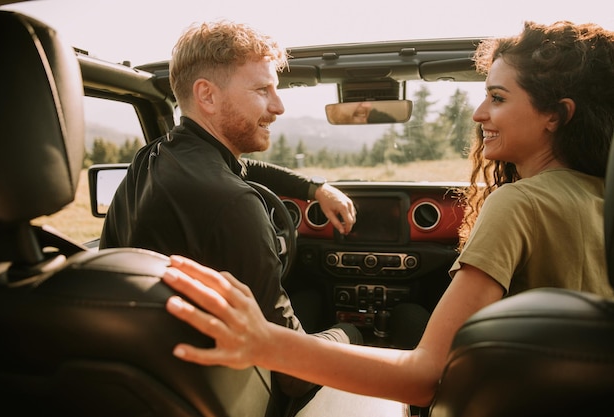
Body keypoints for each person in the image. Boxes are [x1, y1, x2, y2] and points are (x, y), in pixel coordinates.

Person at [158, 20, 614, 409]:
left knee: (401, 324)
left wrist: (264, 341)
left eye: (497, 97)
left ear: (555, 115)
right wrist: (315, 188)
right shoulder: (600, 196)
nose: (478, 113)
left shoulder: (518, 204)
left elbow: (426, 377)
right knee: (412, 315)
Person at [99, 20, 362, 399]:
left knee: (310, 301)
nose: (279, 105)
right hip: (227, 392)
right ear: (207, 95)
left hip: (152, 377)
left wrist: (313, 189)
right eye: (262, 90)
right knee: (351, 330)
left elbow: (240, 166)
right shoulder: (234, 203)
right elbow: (292, 372)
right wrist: (351, 335)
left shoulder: (153, 158)